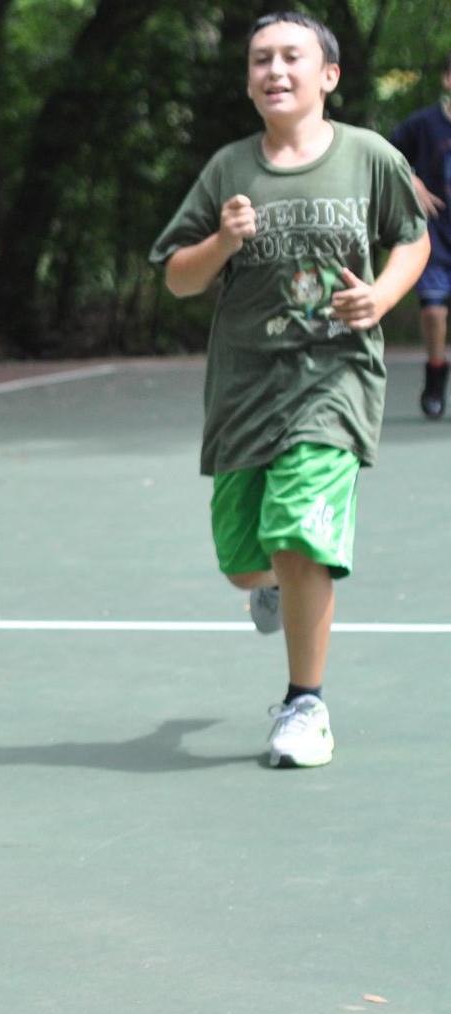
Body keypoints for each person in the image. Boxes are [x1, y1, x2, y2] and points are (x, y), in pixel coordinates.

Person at [149, 11, 429, 769]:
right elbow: (179, 277)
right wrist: (223, 241)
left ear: (327, 76)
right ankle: (274, 590)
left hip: (333, 378)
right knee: (248, 560)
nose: (274, 70)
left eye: (291, 57)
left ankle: (306, 703)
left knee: (298, 533)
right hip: (244, 386)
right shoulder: (229, 169)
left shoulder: (369, 156)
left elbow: (414, 236)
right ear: (248, 81)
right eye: (261, 60)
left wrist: (380, 296)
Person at [388, 51, 451, 418]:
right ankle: (435, 374)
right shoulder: (424, 125)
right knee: (433, 310)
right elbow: (388, 154)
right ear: (446, 79)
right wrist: (412, 182)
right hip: (435, 235)